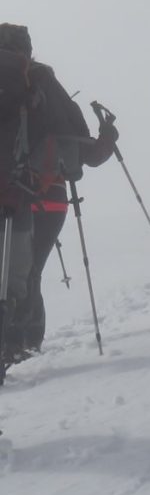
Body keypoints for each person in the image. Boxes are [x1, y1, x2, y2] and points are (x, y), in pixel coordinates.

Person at [0, 23, 117, 363]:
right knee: (27, 272)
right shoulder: (42, 81)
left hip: (5, 190)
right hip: (42, 195)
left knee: (12, 272)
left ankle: (13, 344)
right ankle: (21, 344)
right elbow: (85, 150)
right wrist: (107, 138)